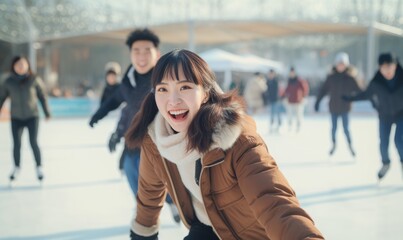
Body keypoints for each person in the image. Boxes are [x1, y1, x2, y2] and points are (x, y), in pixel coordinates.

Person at [125, 49, 324, 240]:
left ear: (205, 92)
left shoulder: (235, 138)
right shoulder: (156, 139)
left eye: (185, 87)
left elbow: (275, 203)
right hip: (206, 229)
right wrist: (143, 234)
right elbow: (149, 196)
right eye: (163, 89)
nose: (173, 100)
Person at [88, 28, 179, 222]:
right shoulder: (129, 79)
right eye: (136, 51)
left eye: (147, 51)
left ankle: (171, 203)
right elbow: (117, 101)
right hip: (133, 140)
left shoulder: (165, 78)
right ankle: (143, 208)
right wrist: (102, 117)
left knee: (162, 180)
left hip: (158, 142)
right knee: (130, 171)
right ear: (131, 54)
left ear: (157, 53)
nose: (142, 56)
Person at [343, 53, 403, 180]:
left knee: (399, 140)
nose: (387, 70)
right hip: (385, 115)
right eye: (383, 67)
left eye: (389, 66)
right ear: (380, 68)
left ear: (395, 66)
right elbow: (365, 94)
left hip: (401, 114)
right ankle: (386, 163)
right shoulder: (376, 82)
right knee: (383, 143)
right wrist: (350, 98)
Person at [0, 56, 51, 182]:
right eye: (18, 64)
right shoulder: (9, 81)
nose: (21, 66)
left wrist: (46, 112)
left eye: (23, 64)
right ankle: (16, 168)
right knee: (16, 144)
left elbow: (42, 96)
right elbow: (2, 97)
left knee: (33, 142)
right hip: (16, 117)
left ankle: (39, 167)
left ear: (28, 65)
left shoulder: (34, 79)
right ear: (14, 66)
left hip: (32, 116)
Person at [314, 52, 362, 156]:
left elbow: (360, 91)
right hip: (334, 107)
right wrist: (317, 102)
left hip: (345, 108)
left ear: (346, 65)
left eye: (343, 64)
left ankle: (350, 145)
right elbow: (323, 91)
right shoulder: (331, 78)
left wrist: (368, 98)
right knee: (334, 128)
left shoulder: (350, 78)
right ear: (336, 64)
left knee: (346, 129)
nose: (341, 66)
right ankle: (334, 144)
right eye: (339, 64)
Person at [282, 67, 309, 132]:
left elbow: (305, 88)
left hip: (298, 101)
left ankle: (298, 127)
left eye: (292, 72)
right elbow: (287, 90)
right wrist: (284, 96)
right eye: (290, 73)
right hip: (290, 101)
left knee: (298, 115)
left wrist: (304, 96)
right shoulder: (289, 81)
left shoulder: (299, 80)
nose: (291, 74)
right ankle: (290, 126)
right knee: (289, 115)